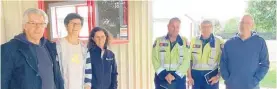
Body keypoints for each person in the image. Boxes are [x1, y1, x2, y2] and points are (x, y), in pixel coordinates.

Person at [1, 8, 64, 89]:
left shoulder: (50, 46)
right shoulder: (9, 49)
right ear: (25, 26)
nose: (38, 27)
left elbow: (57, 77)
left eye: (41, 24)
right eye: (33, 23)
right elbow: (3, 81)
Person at [220, 15, 270, 89]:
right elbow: (223, 63)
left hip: (252, 86)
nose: (244, 25)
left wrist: (255, 80)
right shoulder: (229, 43)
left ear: (252, 25)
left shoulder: (259, 42)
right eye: (242, 22)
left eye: (247, 23)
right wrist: (228, 79)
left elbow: (265, 64)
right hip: (232, 86)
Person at [152, 17, 191, 89]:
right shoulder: (158, 41)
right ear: (168, 26)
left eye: (177, 27)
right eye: (172, 26)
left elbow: (186, 61)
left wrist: (175, 76)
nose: (175, 29)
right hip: (161, 78)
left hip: (178, 79)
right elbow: (154, 59)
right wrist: (165, 74)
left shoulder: (185, 42)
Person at [187, 20, 224, 89]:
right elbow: (188, 60)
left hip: (211, 75)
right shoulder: (193, 40)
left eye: (208, 27)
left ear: (212, 28)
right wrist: (189, 76)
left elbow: (224, 62)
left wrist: (218, 76)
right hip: (196, 76)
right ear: (200, 28)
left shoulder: (219, 41)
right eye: (203, 27)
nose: (206, 29)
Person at [56, 13, 87, 89]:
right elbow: (55, 68)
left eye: (79, 24)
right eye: (73, 23)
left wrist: (87, 85)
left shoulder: (84, 46)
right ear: (66, 26)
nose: (76, 26)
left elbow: (88, 68)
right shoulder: (59, 45)